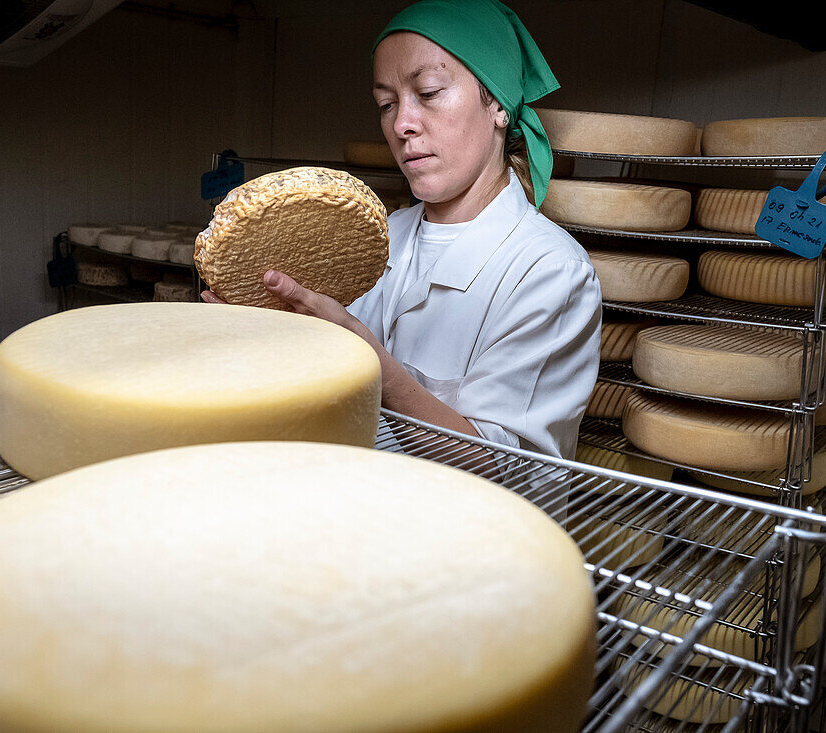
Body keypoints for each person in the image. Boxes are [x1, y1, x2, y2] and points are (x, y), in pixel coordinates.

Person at [204, 0, 601, 461]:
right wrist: (273, 336)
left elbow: (499, 468)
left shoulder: (550, 273)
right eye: (386, 104)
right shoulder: (373, 238)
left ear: (496, 104)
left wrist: (367, 360)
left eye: (428, 93)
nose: (401, 124)